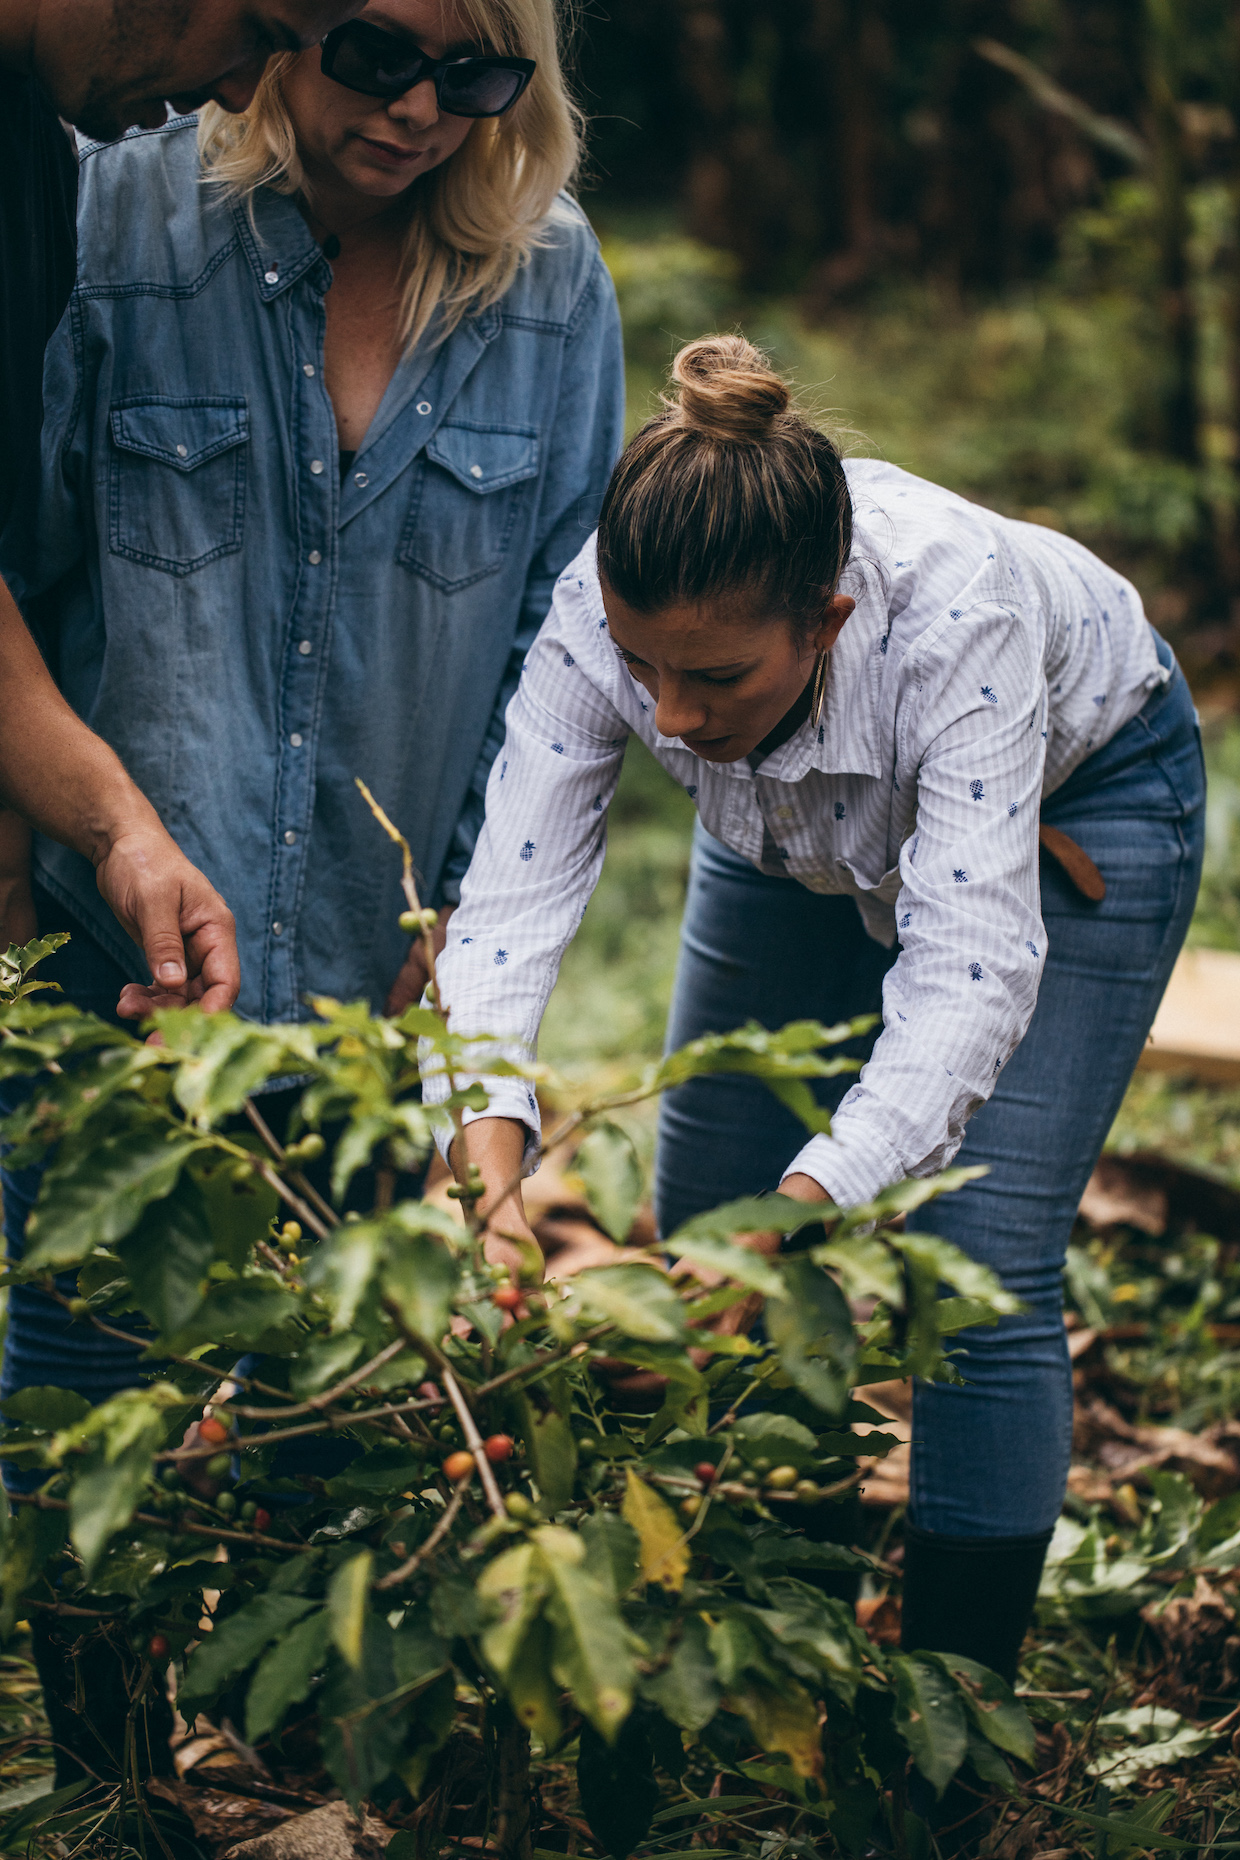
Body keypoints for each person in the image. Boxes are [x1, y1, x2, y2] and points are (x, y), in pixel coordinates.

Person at [426, 335, 1205, 1690]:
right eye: (640, 667)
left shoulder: (960, 619)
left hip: (1081, 800)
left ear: (826, 622)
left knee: (976, 1258)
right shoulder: (603, 615)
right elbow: (510, 901)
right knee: (710, 1209)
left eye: (712, 678)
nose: (667, 715)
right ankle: (753, 1630)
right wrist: (486, 1168)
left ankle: (952, 1713)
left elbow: (965, 986)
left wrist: (812, 1205)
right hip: (790, 827)